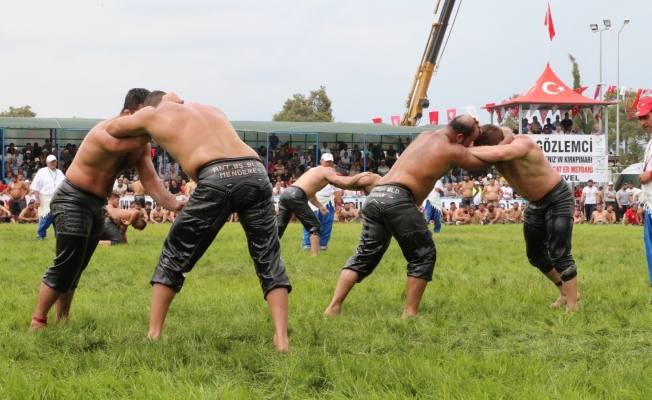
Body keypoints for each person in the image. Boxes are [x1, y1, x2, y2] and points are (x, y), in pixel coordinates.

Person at [106, 91, 291, 351]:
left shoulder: (153, 113)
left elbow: (113, 127)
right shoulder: (211, 108)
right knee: (269, 256)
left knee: (175, 252)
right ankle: (281, 340)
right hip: (256, 171)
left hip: (216, 174)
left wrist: (156, 111)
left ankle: (153, 334)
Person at [29, 88, 184, 332]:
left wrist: (175, 203)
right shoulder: (106, 131)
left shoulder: (140, 144)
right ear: (127, 114)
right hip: (73, 198)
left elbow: (151, 180)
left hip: (97, 203)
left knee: (78, 265)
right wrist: (160, 116)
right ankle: (37, 323)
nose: (149, 124)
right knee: (66, 263)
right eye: (145, 118)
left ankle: (62, 320)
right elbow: (124, 143)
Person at [323, 115, 487, 318]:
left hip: (377, 195)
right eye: (470, 141)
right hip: (398, 199)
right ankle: (410, 313)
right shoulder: (452, 149)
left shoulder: (426, 135)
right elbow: (481, 162)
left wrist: (474, 133)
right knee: (423, 254)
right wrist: (505, 141)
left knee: (364, 255)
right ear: (460, 136)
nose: (471, 145)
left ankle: (333, 307)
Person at [470, 126, 580, 312]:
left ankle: (572, 306)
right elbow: (500, 136)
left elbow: (499, 150)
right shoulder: (495, 145)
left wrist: (474, 148)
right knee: (535, 255)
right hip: (534, 203)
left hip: (557, 197)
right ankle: (565, 292)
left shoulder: (522, 143)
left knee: (559, 253)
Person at [276, 162, 372, 256]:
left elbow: (311, 194)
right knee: (315, 226)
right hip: (296, 195)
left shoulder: (316, 173)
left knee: (279, 226)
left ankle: (267, 251)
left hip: (287, 193)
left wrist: (320, 206)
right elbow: (345, 182)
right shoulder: (328, 171)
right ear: (337, 174)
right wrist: (360, 175)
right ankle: (314, 256)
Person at [634, 97, 652, 284]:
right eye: (640, 119)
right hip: (650, 205)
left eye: (646, 117)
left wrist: (651, 174)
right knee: (650, 248)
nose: (642, 122)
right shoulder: (649, 144)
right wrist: (642, 203)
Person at [31, 154, 66, 241]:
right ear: (47, 163)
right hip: (45, 198)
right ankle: (41, 235)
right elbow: (36, 186)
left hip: (58, 198)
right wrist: (37, 199)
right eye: (51, 162)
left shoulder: (60, 172)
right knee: (46, 217)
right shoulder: (42, 172)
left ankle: (58, 235)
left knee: (58, 217)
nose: (53, 163)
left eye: (54, 161)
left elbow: (65, 186)